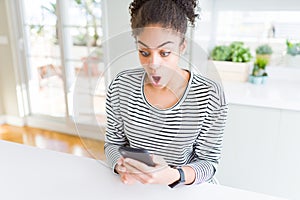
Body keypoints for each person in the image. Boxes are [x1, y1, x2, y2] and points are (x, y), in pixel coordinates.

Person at [104, 0, 228, 188]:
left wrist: (173, 175)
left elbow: (209, 163)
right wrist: (121, 165)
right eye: (144, 52)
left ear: (182, 46)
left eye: (165, 53)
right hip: (138, 189)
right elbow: (113, 144)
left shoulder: (210, 95)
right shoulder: (121, 86)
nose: (153, 64)